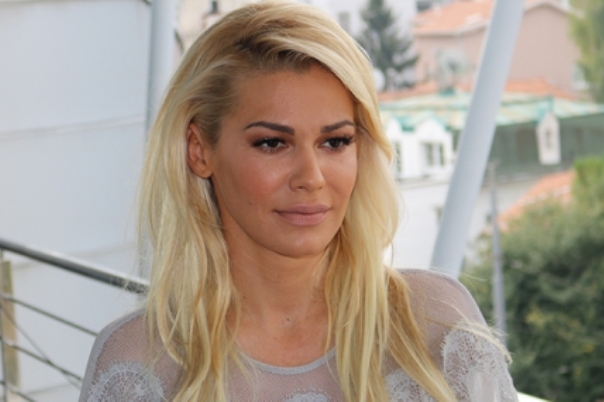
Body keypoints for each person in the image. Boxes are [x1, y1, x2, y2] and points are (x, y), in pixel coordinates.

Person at [79, 1, 518, 401]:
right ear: (199, 149)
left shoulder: (437, 326)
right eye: (272, 143)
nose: (311, 177)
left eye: (335, 141)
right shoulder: (137, 366)